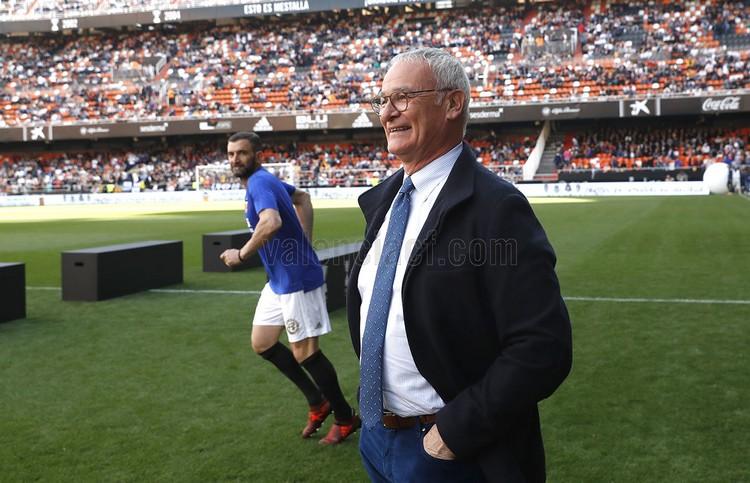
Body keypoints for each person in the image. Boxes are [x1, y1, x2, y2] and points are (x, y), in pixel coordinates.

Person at [347, 48, 573, 482]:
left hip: (452, 451)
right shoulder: (386, 200)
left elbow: (543, 346)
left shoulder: (497, 207)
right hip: (377, 437)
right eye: (382, 100)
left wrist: (452, 432)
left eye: (402, 97)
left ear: (453, 103)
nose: (387, 113)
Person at [220, 131, 360, 445]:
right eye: (230, 154)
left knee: (305, 353)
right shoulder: (264, 182)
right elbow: (303, 199)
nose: (235, 159)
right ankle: (317, 401)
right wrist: (306, 241)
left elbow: (271, 222)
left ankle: (344, 416)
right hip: (278, 281)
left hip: (297, 279)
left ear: (257, 155)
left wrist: (240, 254)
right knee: (263, 343)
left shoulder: (259, 182)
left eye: (242, 153)